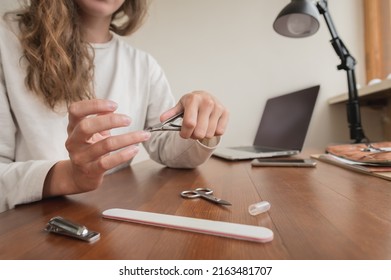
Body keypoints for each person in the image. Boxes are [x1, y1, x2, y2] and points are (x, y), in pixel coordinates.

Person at [0, 0, 229, 213]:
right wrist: (67, 176)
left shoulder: (143, 66)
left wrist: (200, 124)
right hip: (27, 230)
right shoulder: (6, 40)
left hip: (105, 221)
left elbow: (170, 151)